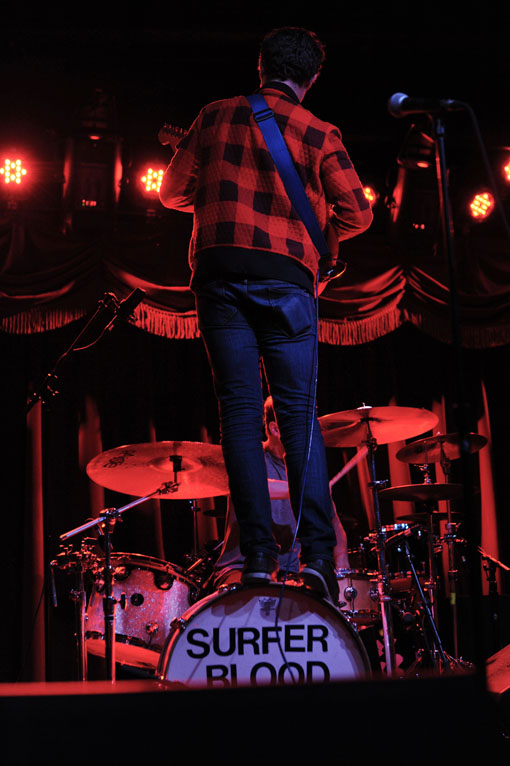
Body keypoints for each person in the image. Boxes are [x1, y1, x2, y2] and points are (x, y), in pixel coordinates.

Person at [160, 27, 372, 603]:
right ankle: (319, 559)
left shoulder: (213, 116)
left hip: (220, 273)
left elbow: (170, 194)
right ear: (312, 78)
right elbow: (359, 213)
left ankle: (255, 555)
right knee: (299, 417)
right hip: (288, 281)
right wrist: (319, 229)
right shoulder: (320, 132)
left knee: (241, 416)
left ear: (260, 67)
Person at [212, 396, 350, 590]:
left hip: (292, 573)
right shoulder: (251, 456)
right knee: (241, 602)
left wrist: (343, 572)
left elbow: (333, 521)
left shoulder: (305, 466)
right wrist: (303, 488)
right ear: (275, 429)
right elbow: (253, 485)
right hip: (240, 568)